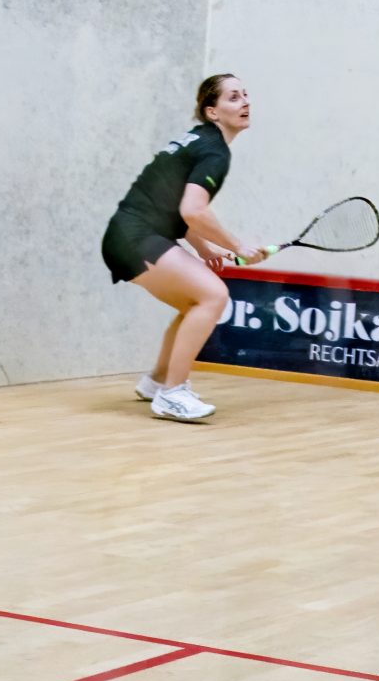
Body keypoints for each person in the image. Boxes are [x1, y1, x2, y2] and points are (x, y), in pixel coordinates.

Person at [100, 73, 269, 423]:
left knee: (195, 302)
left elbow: (175, 205)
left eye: (245, 95)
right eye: (234, 97)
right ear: (212, 112)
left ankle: (157, 382)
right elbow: (193, 210)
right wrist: (238, 246)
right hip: (135, 236)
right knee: (213, 296)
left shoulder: (199, 140)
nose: (245, 102)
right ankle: (173, 394)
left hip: (125, 235)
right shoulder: (214, 151)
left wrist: (205, 250)